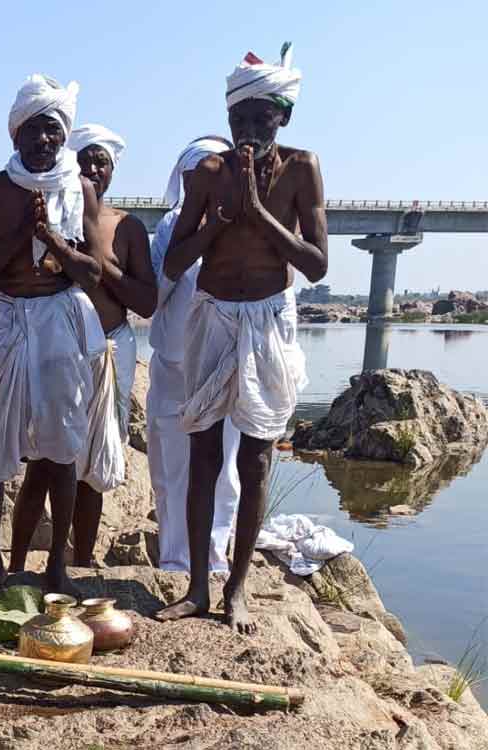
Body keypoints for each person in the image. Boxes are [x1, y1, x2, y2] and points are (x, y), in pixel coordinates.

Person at [157, 44, 327, 634]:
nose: (250, 131)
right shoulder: (206, 175)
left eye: (263, 119)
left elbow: (316, 264)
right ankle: (198, 586)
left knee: (255, 458)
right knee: (203, 452)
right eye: (240, 120)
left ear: (283, 118)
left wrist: (261, 215)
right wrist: (219, 225)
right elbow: (176, 261)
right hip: (214, 316)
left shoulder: (303, 168)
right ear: (228, 120)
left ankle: (238, 589)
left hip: (269, 320)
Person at [0, 74, 103, 596]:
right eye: (33, 131)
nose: (44, 141)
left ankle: (56, 568)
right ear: (14, 134)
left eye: (53, 130)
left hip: (59, 321)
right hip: (4, 318)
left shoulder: (80, 188)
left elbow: (92, 273)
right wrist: (22, 235)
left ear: (64, 134)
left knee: (62, 443)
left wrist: (53, 243)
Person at [8, 124, 156, 572]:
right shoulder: (48, 212)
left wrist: (98, 262)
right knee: (45, 458)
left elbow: (145, 300)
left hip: (110, 348)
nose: (93, 168)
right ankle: (16, 564)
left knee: (93, 459)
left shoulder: (125, 227)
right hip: (57, 347)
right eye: (86, 158)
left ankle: (82, 562)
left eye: (102, 161)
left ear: (112, 170)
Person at [146, 136, 242, 576]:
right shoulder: (168, 227)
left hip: (222, 369)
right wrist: (201, 232)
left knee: (224, 472)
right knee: (171, 472)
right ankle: (174, 559)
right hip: (172, 369)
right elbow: (156, 293)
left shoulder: (242, 222)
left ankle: (215, 557)